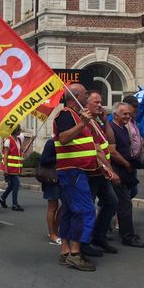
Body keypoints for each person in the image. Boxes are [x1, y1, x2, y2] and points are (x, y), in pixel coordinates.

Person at [53, 83, 99, 271]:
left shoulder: (74, 115)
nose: (87, 98)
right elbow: (64, 138)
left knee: (70, 212)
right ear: (76, 96)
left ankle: (65, 252)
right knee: (85, 211)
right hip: (72, 172)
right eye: (85, 94)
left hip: (75, 172)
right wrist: (82, 123)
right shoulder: (66, 114)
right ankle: (75, 254)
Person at [85, 91, 120, 255]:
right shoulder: (85, 121)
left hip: (101, 172)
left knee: (112, 202)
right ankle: (83, 242)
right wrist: (110, 170)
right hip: (92, 171)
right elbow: (95, 149)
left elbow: (110, 141)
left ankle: (99, 236)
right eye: (96, 102)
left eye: (101, 102)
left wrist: (105, 121)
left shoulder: (97, 122)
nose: (100, 105)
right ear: (87, 104)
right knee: (87, 208)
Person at [107, 102, 144, 248]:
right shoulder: (112, 129)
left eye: (129, 114)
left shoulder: (124, 128)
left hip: (124, 170)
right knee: (124, 204)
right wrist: (127, 164)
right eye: (124, 114)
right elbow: (113, 152)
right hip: (117, 170)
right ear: (115, 115)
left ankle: (101, 232)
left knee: (113, 203)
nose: (128, 116)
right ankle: (127, 236)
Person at [39, 138, 61, 245]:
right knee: (53, 207)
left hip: (64, 177)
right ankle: (52, 233)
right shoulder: (51, 143)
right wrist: (59, 157)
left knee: (67, 204)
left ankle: (56, 228)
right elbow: (44, 160)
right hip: (52, 179)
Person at [0, 125, 24, 211]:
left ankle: (2, 198)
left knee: (12, 185)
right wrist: (5, 169)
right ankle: (15, 204)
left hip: (15, 168)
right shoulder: (8, 141)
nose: (21, 130)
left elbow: (19, 152)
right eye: (19, 129)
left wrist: (31, 141)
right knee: (16, 184)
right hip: (9, 168)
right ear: (15, 130)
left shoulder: (18, 140)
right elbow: (5, 156)